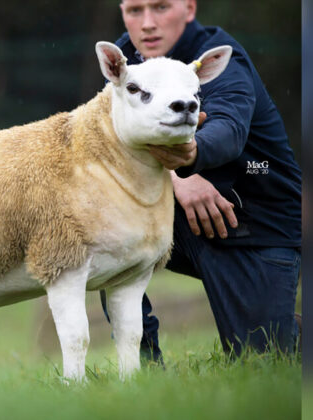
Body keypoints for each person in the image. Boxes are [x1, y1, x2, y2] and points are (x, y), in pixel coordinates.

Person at [100, 0, 301, 360]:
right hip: (184, 223)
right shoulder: (127, 59)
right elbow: (116, 134)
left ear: (189, 8)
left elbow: (229, 129)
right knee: (105, 227)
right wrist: (179, 176)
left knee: (264, 361)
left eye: (161, 7)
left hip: (255, 217)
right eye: (135, 10)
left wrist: (191, 157)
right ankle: (143, 372)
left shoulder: (222, 59)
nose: (147, 24)